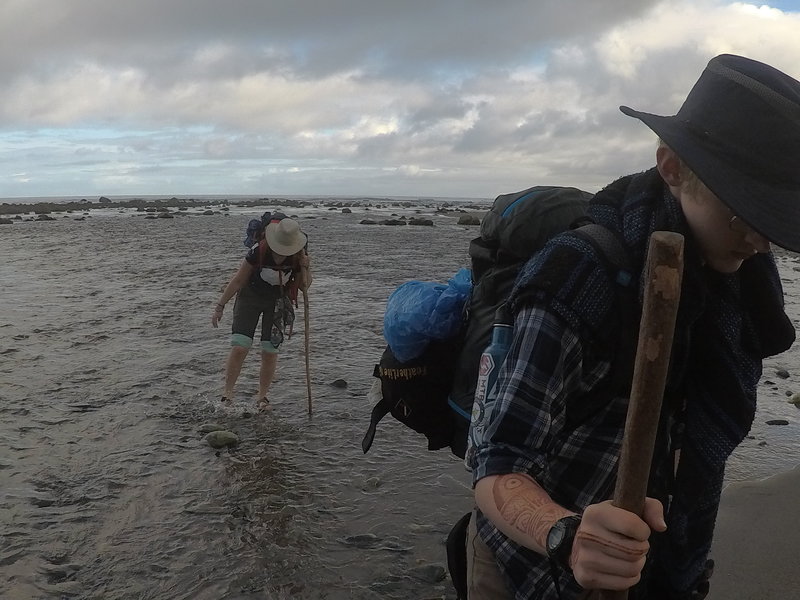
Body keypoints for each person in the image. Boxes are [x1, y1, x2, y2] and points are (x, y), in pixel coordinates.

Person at [467, 54, 800, 599]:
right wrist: (567, 536)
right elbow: (497, 461)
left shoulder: (739, 280)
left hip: (655, 561)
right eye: (746, 210)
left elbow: (692, 418)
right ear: (672, 168)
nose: (763, 239)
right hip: (526, 565)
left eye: (777, 218)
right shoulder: (575, 276)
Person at [211, 217, 311, 410]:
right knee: (241, 346)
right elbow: (238, 280)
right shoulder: (258, 251)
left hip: (277, 300)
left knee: (270, 350)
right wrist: (220, 306)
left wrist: (306, 267)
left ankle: (262, 397)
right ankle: (228, 394)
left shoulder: (299, 255)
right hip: (250, 296)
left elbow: (303, 286)